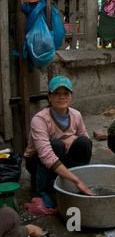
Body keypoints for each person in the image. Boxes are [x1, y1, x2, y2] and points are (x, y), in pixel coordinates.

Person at [24, 76, 93, 208]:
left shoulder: (76, 115)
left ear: (71, 96)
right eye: (57, 93)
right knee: (57, 145)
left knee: (84, 142)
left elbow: (86, 139)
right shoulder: (40, 119)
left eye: (66, 93)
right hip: (37, 161)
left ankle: (71, 183)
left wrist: (73, 137)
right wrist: (76, 180)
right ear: (50, 97)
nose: (62, 97)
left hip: (62, 156)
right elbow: (46, 155)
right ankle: (41, 190)